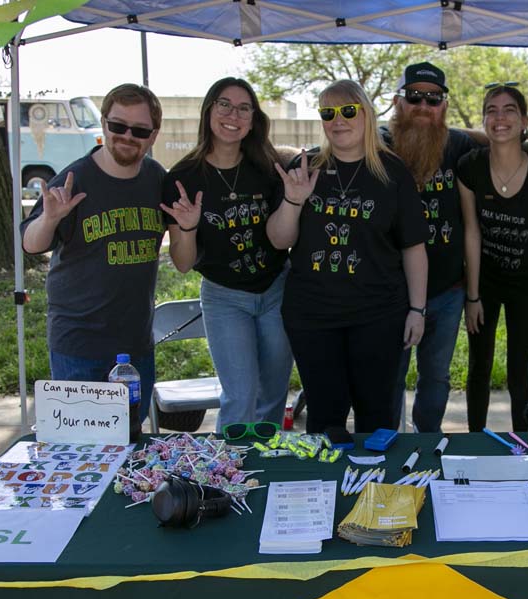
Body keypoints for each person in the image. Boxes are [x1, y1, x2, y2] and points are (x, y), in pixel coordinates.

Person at [268, 80, 429, 434]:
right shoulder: (305, 165)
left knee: (376, 417)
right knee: (325, 419)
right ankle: (328, 488)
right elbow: (280, 240)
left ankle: (374, 488)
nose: (337, 120)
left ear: (366, 114)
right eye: (328, 112)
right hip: (313, 316)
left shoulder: (393, 172)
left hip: (378, 314)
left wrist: (417, 309)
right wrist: (294, 200)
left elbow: (414, 247)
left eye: (347, 111)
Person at [22, 83, 166, 421]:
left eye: (140, 129)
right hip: (80, 345)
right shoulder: (74, 180)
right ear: (103, 124)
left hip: (135, 344)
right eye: (118, 126)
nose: (127, 136)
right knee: (84, 450)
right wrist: (50, 218)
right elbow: (31, 243)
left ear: (153, 134)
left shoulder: (157, 179)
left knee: (131, 440)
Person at [161, 77, 293, 430]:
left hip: (277, 290)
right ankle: (228, 479)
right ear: (208, 112)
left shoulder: (268, 168)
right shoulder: (184, 177)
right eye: (224, 104)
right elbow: (183, 263)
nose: (233, 114)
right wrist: (188, 226)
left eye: (243, 107)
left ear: (253, 119)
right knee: (240, 396)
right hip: (224, 298)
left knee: (274, 396)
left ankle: (266, 470)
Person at [457, 84, 528, 432]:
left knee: (520, 371)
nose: (499, 118)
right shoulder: (469, 167)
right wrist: (472, 296)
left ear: (524, 121)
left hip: (527, 283)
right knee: (479, 367)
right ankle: (474, 441)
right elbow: (471, 233)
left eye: (509, 110)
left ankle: (524, 447)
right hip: (484, 281)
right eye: (491, 110)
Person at [384, 61, 482, 433]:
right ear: (398, 102)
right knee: (389, 375)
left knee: (436, 377)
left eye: (434, 99)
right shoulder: (380, 143)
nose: (424, 106)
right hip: (392, 291)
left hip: (447, 290)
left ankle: (426, 442)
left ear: (444, 105)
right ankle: (388, 442)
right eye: (415, 97)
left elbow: (506, 138)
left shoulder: (458, 145)